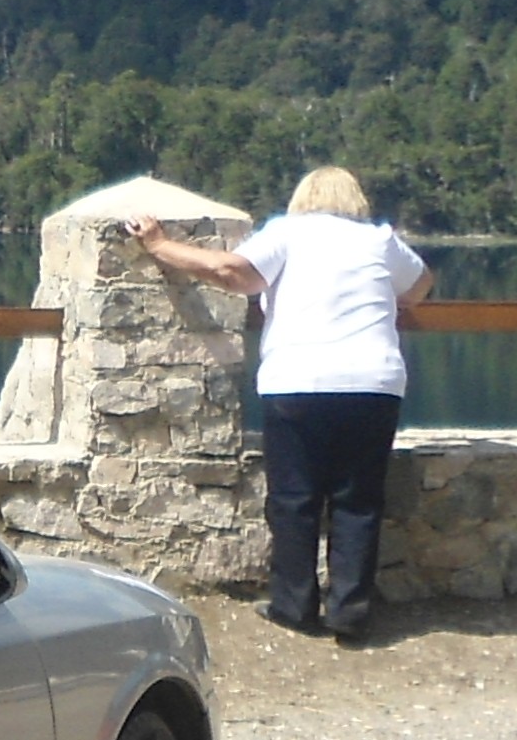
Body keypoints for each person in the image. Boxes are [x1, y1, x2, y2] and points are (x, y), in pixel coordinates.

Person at [127, 166, 432, 646]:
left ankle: (295, 604)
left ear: (302, 196)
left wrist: (160, 247)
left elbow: (232, 272)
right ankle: (350, 610)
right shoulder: (380, 240)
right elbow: (419, 286)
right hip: (373, 382)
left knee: (295, 499)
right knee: (358, 501)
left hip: (298, 381)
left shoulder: (287, 234)